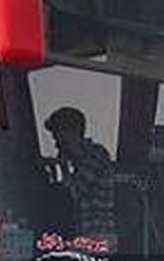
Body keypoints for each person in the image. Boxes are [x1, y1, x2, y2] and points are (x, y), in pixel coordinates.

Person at [43, 106, 118, 252]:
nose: (56, 143)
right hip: (87, 235)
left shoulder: (94, 156)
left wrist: (59, 167)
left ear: (70, 132)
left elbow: (73, 193)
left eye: (57, 135)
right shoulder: (82, 161)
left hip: (96, 236)